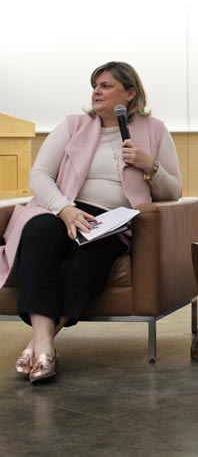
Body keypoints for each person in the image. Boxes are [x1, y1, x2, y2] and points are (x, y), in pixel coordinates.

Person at [0, 62, 182, 383]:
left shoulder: (154, 130)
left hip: (113, 221)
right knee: (38, 233)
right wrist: (64, 209)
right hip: (64, 210)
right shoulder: (72, 125)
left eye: (106, 86)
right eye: (95, 85)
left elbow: (173, 191)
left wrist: (149, 165)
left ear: (130, 93)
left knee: (92, 258)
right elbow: (40, 176)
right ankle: (44, 345)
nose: (96, 91)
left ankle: (40, 345)